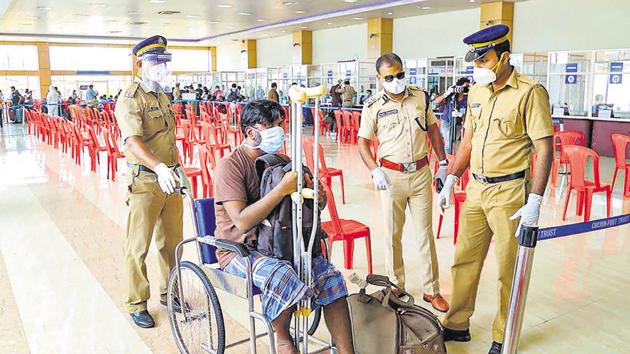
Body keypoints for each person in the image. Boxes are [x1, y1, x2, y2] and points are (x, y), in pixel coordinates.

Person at [438, 25, 553, 354]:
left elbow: (544, 149)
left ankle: (504, 333)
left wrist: (536, 200)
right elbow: (468, 142)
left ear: (504, 57)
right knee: (464, 261)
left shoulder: (530, 92)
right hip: (475, 189)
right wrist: (451, 178)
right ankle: (457, 323)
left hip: (509, 194)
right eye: (475, 62)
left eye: (484, 60)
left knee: (508, 267)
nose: (478, 68)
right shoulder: (477, 91)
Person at [214, 99, 354, 354]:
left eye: (279, 124)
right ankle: (283, 340)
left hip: (280, 244)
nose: (277, 130)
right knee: (282, 274)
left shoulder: (283, 161)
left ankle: (347, 352)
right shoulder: (230, 165)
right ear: (249, 132)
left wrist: (318, 197)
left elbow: (304, 209)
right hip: (239, 250)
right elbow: (242, 221)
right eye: (269, 125)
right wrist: (281, 190)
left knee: (329, 277)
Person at [357, 53, 450, 312]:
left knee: (425, 234)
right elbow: (362, 142)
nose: (396, 80)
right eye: (389, 77)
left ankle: (432, 290)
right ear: (379, 78)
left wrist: (442, 164)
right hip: (390, 177)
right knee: (393, 234)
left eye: (399, 75)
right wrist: (374, 170)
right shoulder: (372, 105)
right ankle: (395, 286)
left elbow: (433, 130)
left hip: (421, 174)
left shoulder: (420, 96)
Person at [115, 35, 191, 329]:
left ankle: (170, 293)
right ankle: (136, 302)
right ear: (139, 64)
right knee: (138, 246)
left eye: (163, 61)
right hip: (146, 182)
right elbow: (133, 142)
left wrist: (177, 169)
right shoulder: (131, 97)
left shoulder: (161, 95)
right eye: (154, 61)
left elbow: (167, 139)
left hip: (169, 179)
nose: (160, 66)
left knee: (172, 244)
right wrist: (159, 167)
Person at [434, 77, 471, 154]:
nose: (466, 89)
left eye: (468, 87)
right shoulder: (451, 95)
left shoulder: (468, 99)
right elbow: (436, 102)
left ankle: (451, 155)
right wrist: (446, 94)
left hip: (457, 124)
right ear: (458, 86)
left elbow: (468, 116)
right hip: (446, 121)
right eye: (464, 87)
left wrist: (461, 115)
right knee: (448, 138)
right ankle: (447, 155)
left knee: (454, 140)